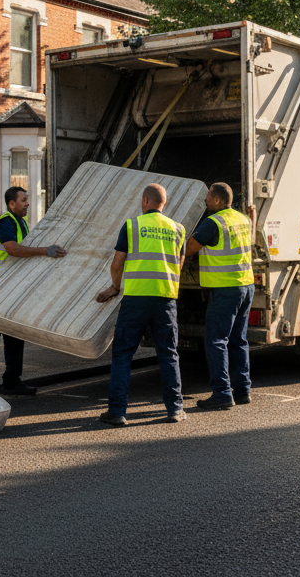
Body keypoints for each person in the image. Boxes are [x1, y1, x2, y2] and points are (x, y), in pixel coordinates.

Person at [94, 183, 186, 426]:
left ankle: (117, 412)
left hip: (135, 299)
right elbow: (179, 264)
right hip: (165, 298)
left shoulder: (132, 226)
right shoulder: (178, 229)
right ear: (163, 203)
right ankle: (175, 409)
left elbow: (117, 263)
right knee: (168, 354)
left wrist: (115, 287)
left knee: (123, 354)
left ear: (145, 201)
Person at [0, 186, 66, 395]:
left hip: (9, 285)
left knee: (15, 334)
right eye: (23, 200)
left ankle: (12, 382)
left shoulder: (20, 222)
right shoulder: (5, 222)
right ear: (11, 203)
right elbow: (12, 249)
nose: (27, 204)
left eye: (27, 199)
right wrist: (45, 251)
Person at [185, 183, 253, 410]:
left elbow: (189, 248)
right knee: (239, 340)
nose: (205, 200)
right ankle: (242, 391)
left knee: (216, 341)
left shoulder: (212, 222)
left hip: (224, 289)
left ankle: (222, 394)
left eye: (208, 197)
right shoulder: (242, 219)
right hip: (245, 285)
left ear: (217, 200)